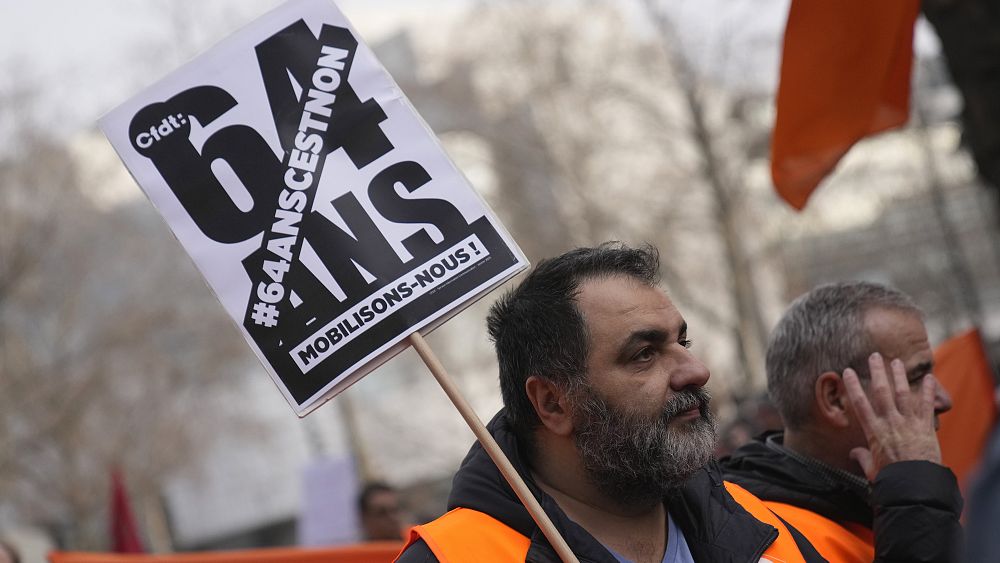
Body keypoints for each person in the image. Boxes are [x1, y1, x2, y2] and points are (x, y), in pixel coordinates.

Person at [396, 243, 824, 563]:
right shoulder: (456, 556)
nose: (695, 370)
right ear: (553, 404)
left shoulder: (751, 518)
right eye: (644, 354)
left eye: (682, 341)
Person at [721, 281, 963, 562]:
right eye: (916, 378)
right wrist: (915, 498)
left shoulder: (889, 493)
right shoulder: (757, 539)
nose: (944, 400)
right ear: (835, 399)